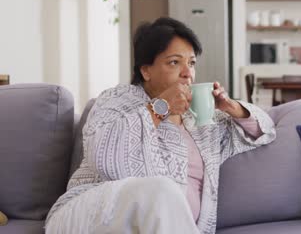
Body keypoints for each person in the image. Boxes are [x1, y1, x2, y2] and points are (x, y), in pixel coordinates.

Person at [45, 17, 276, 234]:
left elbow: (264, 131)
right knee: (163, 190)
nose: (188, 73)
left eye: (192, 63)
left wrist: (230, 107)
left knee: (164, 193)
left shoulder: (204, 123)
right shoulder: (118, 99)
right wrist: (161, 106)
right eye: (175, 62)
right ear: (146, 70)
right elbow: (104, 157)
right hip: (87, 215)